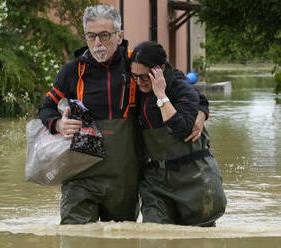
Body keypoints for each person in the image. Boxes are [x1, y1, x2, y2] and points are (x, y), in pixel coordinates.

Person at [39, 5, 208, 225]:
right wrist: (58, 125)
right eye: (91, 36)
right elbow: (45, 109)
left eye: (105, 36)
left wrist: (202, 112)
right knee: (75, 238)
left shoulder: (136, 65)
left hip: (125, 180)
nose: (98, 43)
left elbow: (187, 91)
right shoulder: (71, 71)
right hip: (80, 178)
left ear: (120, 36)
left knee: (121, 238)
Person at [130, 41, 227, 226]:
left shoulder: (181, 89)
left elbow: (181, 130)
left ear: (160, 70)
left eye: (144, 77)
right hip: (156, 181)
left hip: (195, 178)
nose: (139, 82)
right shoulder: (138, 88)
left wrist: (161, 95)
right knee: (154, 235)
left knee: (199, 238)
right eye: (135, 76)